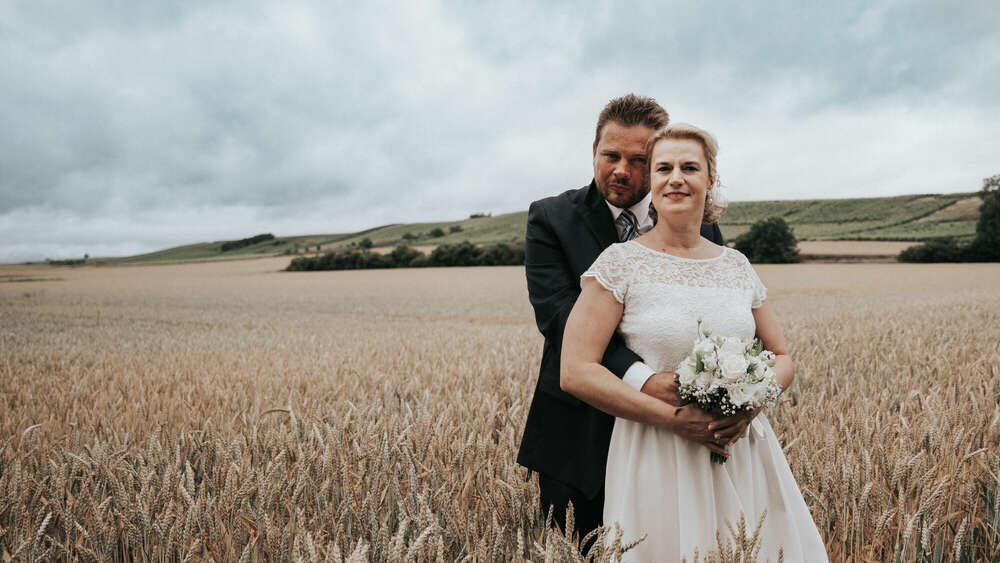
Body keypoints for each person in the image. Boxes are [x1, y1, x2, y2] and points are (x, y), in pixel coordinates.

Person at [560, 123, 828, 560]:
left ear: (710, 179)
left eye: (689, 167)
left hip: (741, 447)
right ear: (651, 182)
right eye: (663, 168)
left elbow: (781, 356)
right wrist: (673, 420)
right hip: (657, 450)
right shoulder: (619, 263)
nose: (676, 178)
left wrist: (751, 405)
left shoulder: (736, 265)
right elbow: (576, 371)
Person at [516, 94, 725, 543]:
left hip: (676, 432)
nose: (621, 171)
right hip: (578, 431)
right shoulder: (552, 218)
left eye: (639, 161)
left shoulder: (700, 223)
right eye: (611, 156)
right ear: (594, 150)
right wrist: (643, 380)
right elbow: (559, 317)